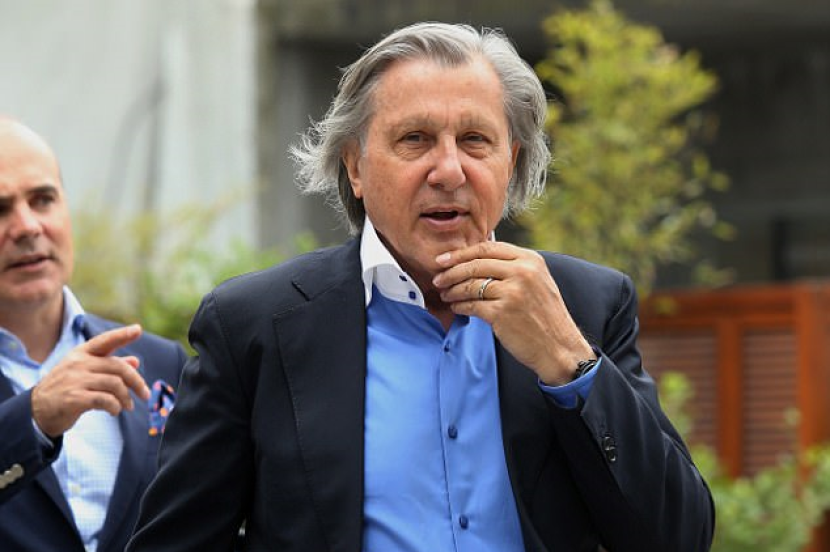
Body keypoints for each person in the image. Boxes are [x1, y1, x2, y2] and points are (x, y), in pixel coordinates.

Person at [127, 22, 714, 552]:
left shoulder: (586, 304)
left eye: (475, 140)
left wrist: (567, 360)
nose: (450, 170)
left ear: (510, 162)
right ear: (355, 166)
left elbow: (678, 536)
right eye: (415, 139)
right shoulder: (254, 326)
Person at [0, 116, 187, 552]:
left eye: (43, 199)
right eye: (0, 209)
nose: (28, 227)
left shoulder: (161, 361)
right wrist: (33, 419)